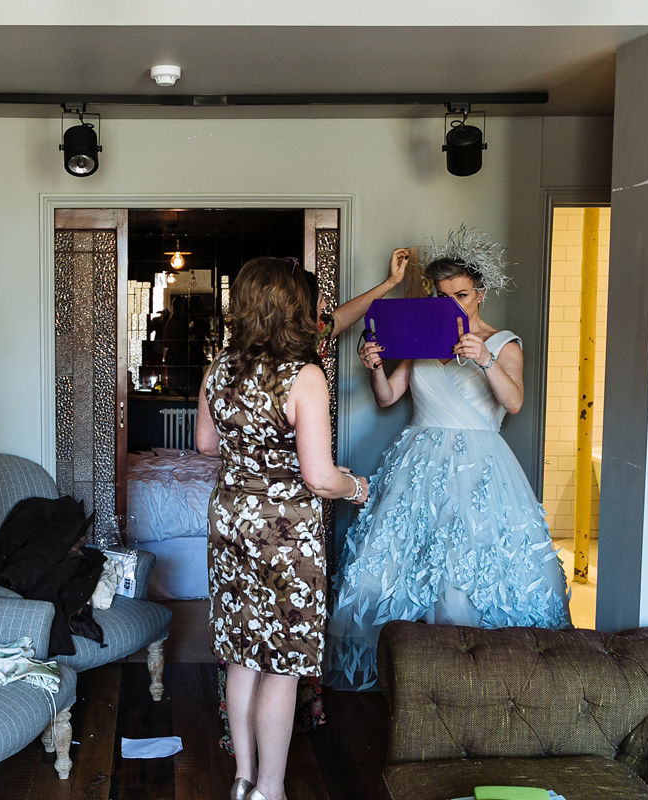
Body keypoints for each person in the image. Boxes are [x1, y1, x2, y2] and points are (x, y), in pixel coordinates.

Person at [325, 227, 571, 692]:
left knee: (468, 565)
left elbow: (514, 403)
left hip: (480, 467)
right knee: (403, 561)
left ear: (481, 292)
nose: (454, 305)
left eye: (461, 294)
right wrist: (375, 366)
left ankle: (476, 679)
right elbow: (387, 398)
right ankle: (414, 677)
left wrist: (484, 360)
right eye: (443, 296)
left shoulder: (504, 343)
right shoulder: (422, 338)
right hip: (416, 460)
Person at [196, 257, 369, 800]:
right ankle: (270, 791)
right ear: (295, 308)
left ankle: (243, 779)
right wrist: (359, 489)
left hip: (229, 521)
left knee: (242, 653)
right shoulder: (303, 376)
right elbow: (319, 477)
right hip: (284, 533)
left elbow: (205, 445)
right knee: (283, 664)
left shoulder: (219, 368)